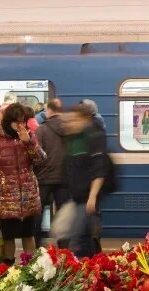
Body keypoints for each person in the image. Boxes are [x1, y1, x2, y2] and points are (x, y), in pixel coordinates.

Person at [0, 103, 44, 265]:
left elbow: (40, 161)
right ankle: (7, 272)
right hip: (5, 199)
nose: (20, 126)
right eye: (16, 122)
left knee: (28, 235)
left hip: (28, 197)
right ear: (7, 121)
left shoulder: (30, 136)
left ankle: (31, 270)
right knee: (8, 237)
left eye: (23, 121)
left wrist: (29, 142)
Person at [61, 103, 106, 257]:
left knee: (78, 240)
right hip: (77, 197)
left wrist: (92, 197)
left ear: (86, 119)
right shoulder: (74, 139)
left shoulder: (93, 136)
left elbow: (98, 170)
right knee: (86, 238)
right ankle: (94, 271)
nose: (69, 124)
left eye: (74, 120)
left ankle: (86, 273)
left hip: (87, 198)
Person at [34, 98, 66, 246]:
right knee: (63, 212)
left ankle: (38, 244)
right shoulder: (68, 128)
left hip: (44, 178)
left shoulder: (41, 129)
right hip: (63, 178)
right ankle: (64, 244)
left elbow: (37, 154)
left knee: (39, 212)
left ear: (49, 111)